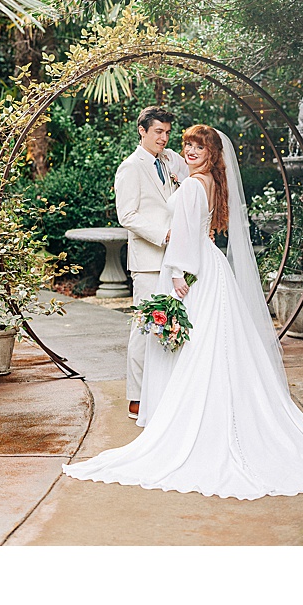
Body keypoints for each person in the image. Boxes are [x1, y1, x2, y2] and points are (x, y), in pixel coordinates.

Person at [63, 125, 303, 499]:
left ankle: (197, 420)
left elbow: (188, 235)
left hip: (191, 269)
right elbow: (199, 227)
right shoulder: (208, 181)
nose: (190, 152)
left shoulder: (195, 185)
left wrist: (178, 272)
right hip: (209, 266)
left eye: (198, 147)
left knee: (196, 344)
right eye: (188, 146)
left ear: (212, 152)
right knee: (212, 343)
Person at [114, 106, 188, 419]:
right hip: (148, 260)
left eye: (167, 132)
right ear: (142, 131)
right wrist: (164, 234)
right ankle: (137, 397)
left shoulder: (172, 160)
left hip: (177, 261)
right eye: (158, 131)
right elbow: (126, 215)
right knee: (144, 328)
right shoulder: (130, 167)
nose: (164, 137)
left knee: (174, 326)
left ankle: (166, 391)